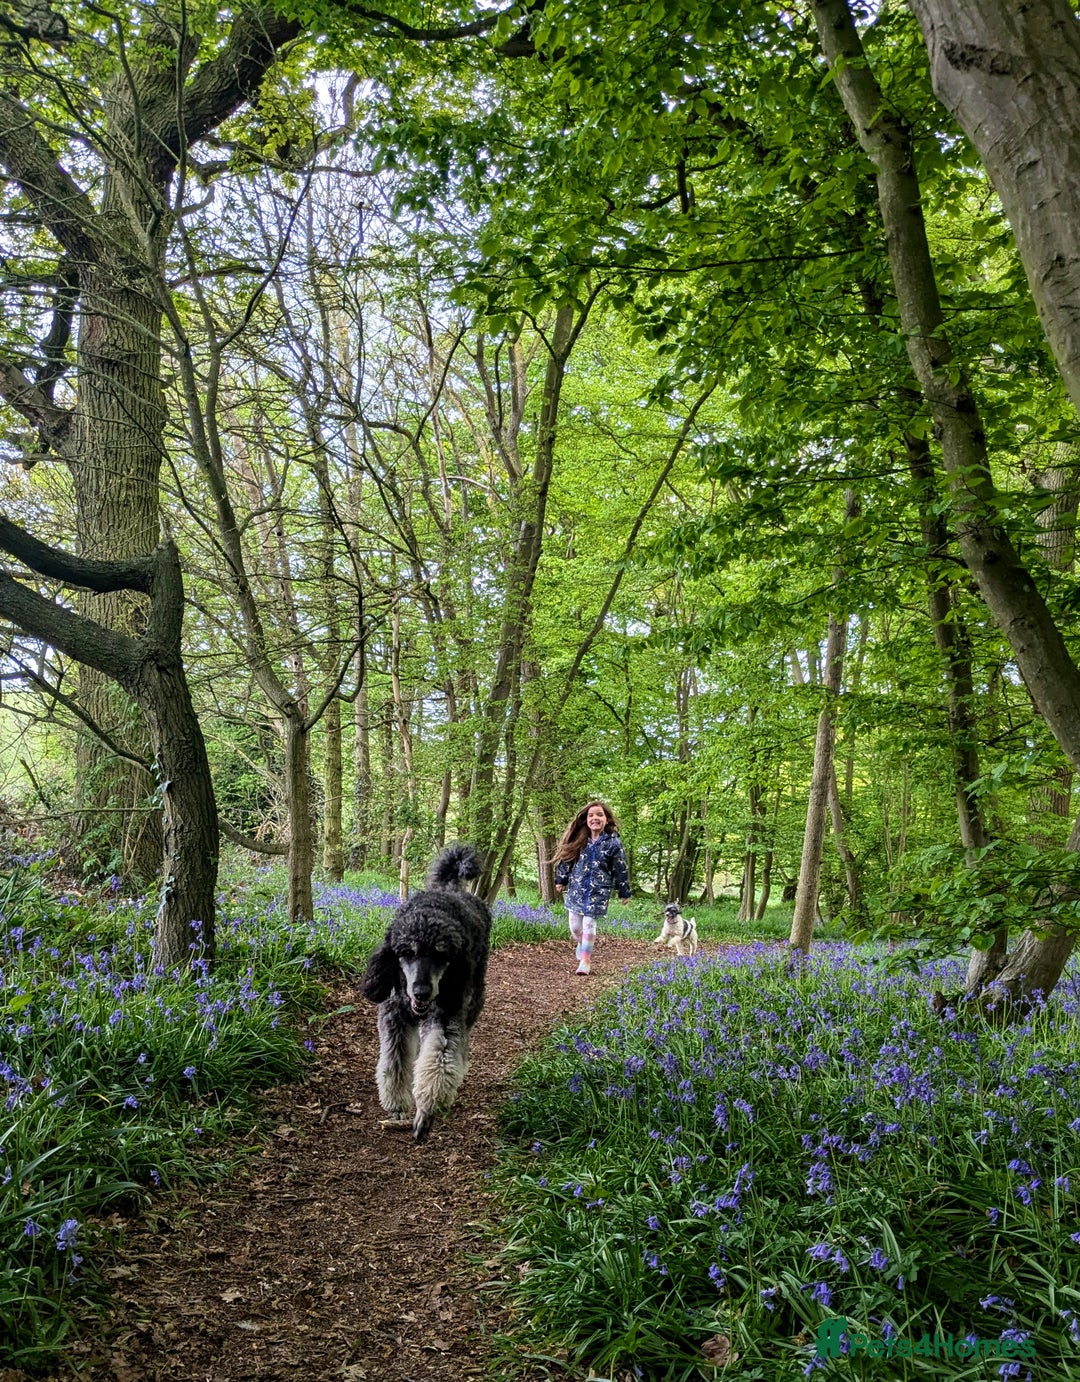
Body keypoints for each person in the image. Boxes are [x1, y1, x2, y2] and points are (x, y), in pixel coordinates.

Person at [552, 801, 631, 976]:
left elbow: (620, 868)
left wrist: (624, 891)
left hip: (599, 892)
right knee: (575, 927)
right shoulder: (579, 839)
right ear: (586, 819)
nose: (595, 818)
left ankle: (585, 960)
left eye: (600, 815)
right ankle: (582, 943)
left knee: (589, 923)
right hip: (577, 890)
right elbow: (566, 860)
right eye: (591, 815)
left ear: (606, 819)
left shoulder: (613, 843)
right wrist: (561, 880)